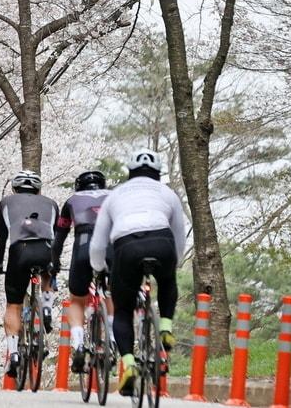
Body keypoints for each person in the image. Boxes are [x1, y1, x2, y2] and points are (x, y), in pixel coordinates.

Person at [90, 150, 187, 397]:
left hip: (127, 246)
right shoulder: (168, 193)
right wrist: (173, 264)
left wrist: (99, 268)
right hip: (162, 241)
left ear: (130, 172)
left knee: (123, 310)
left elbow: (98, 244)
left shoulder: (115, 195)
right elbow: (179, 234)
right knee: (167, 281)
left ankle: (129, 364)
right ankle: (165, 327)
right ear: (158, 173)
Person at [0, 169, 59, 381]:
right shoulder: (52, 204)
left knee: (13, 305)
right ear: (38, 190)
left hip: (19, 251)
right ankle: (46, 308)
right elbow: (56, 237)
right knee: (47, 274)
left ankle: (14, 353)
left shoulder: (6, 202)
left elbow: (2, 238)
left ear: (14, 188)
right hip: (46, 250)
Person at [54, 169, 111, 374]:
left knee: (77, 300)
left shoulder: (71, 201)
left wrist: (54, 261)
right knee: (111, 293)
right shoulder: (114, 196)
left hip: (83, 246)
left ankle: (78, 344)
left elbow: (59, 236)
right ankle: (112, 340)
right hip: (110, 247)